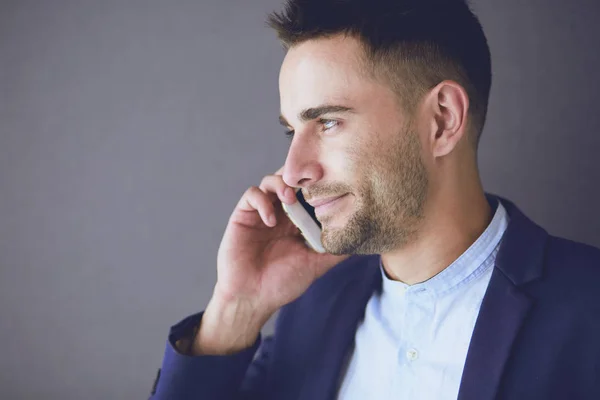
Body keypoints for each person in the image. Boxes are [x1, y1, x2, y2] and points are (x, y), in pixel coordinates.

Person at [149, 0, 600, 399]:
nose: (292, 171)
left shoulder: (587, 309)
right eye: (292, 131)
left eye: (327, 122)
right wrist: (236, 310)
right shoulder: (311, 308)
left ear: (442, 120)